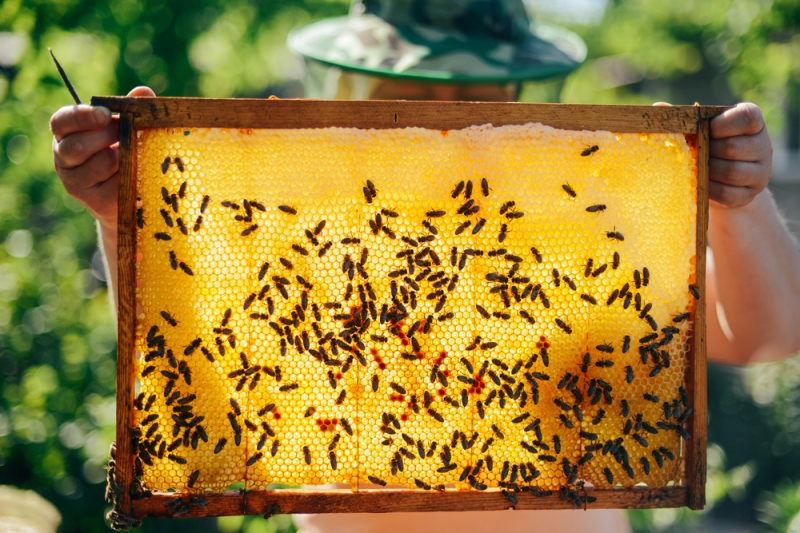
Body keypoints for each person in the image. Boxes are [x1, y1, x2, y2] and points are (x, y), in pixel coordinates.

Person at [50, 1, 800, 531]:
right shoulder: (309, 231)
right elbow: (191, 378)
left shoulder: (576, 224)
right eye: (415, 84)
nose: (440, 110)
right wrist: (127, 214)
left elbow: (763, 336)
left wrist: (741, 205)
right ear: (354, 79)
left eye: (465, 87)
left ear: (512, 88)